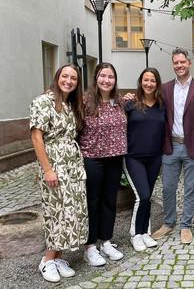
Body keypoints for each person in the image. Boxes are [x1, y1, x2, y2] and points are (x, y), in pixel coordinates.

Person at [29, 64, 87, 282]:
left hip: (72, 165)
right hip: (54, 164)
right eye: (65, 76)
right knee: (56, 211)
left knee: (71, 212)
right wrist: (47, 169)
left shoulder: (70, 104)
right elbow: (36, 137)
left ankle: (58, 257)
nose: (69, 81)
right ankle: (47, 260)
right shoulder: (43, 102)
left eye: (73, 78)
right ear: (57, 77)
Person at [152, 48, 194, 244]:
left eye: (182, 62)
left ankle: (186, 225)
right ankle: (169, 223)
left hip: (193, 148)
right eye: (176, 63)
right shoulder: (164, 89)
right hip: (170, 146)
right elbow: (149, 105)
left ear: (189, 63)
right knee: (168, 188)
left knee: (190, 188)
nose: (179, 65)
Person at [79, 62, 127, 266]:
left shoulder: (120, 103)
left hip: (115, 158)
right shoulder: (84, 102)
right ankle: (90, 247)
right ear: (96, 78)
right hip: (92, 158)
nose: (106, 80)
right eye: (103, 76)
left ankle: (106, 240)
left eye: (111, 77)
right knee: (93, 201)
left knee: (110, 201)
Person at [123, 68, 165, 252]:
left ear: (157, 84)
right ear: (141, 82)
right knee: (143, 195)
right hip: (134, 158)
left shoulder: (162, 105)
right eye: (145, 80)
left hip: (155, 157)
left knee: (148, 195)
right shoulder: (131, 104)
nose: (149, 84)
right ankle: (135, 234)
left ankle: (145, 232)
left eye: (152, 81)